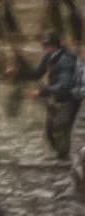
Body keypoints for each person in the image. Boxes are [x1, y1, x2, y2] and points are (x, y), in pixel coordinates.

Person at [32, 31, 83, 159]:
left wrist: (43, 91)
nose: (45, 48)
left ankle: (66, 158)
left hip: (70, 99)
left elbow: (64, 86)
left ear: (56, 45)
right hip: (56, 98)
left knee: (60, 127)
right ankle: (63, 157)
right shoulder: (49, 56)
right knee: (49, 131)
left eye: (48, 45)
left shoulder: (66, 59)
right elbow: (36, 73)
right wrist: (18, 72)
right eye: (44, 45)